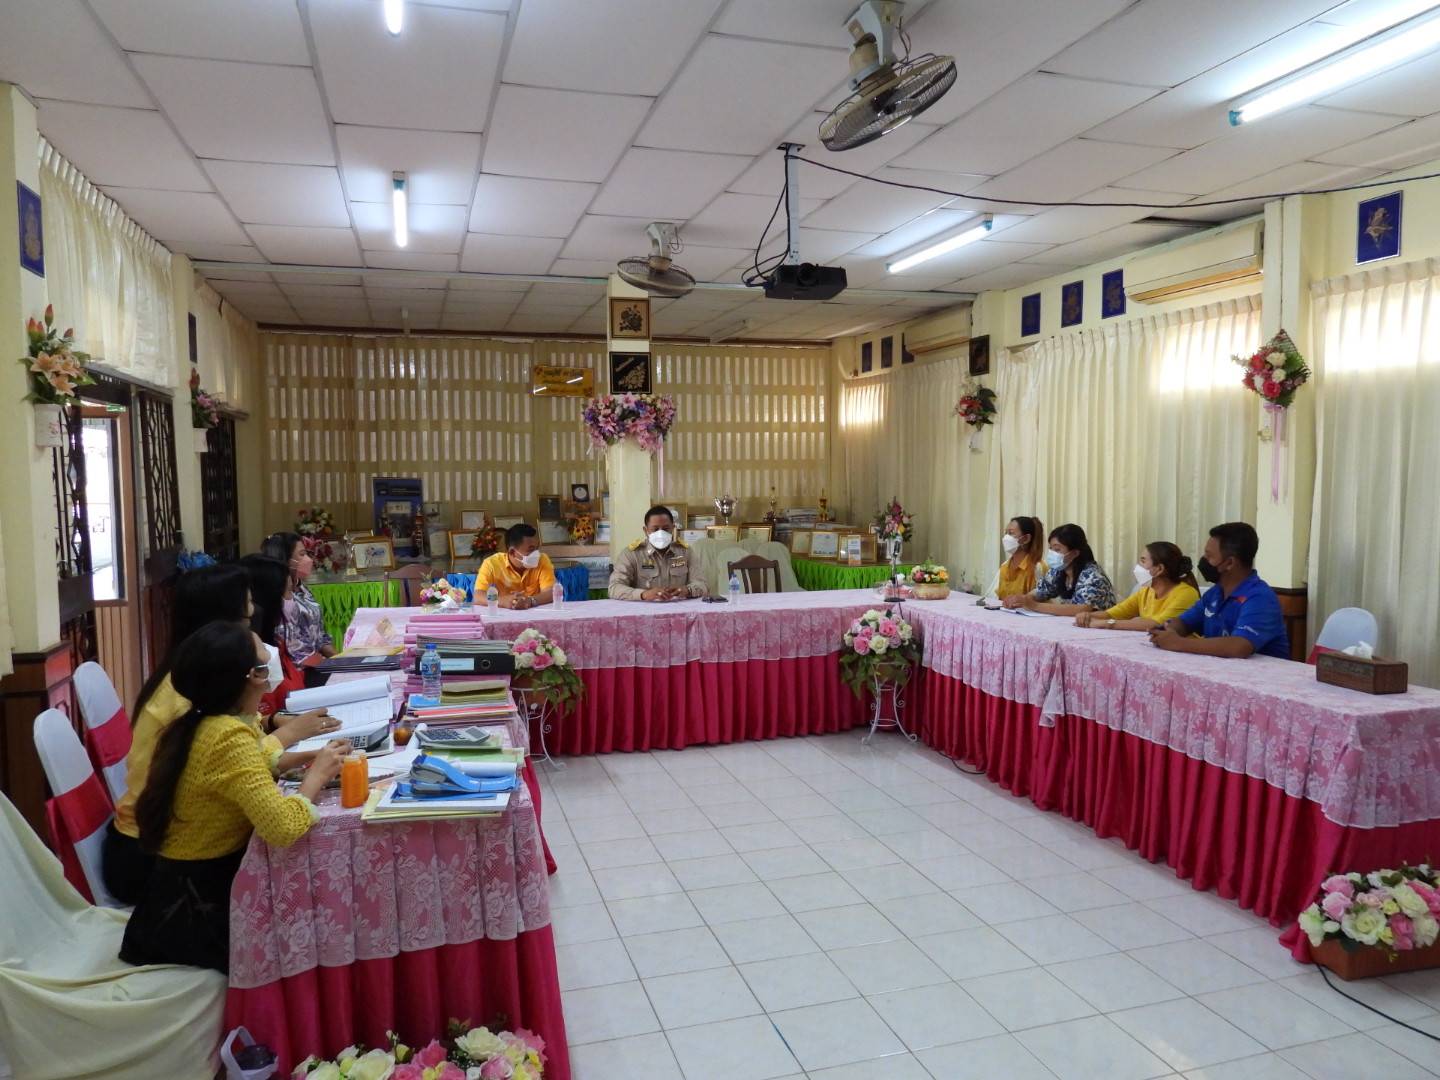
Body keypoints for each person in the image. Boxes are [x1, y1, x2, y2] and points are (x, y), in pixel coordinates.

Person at [103, 565, 339, 905]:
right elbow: (279, 821)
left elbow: (239, 754)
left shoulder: (197, 686)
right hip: (154, 857)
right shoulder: (190, 705)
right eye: (245, 621)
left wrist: (291, 745)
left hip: (179, 852)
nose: (252, 627)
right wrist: (298, 750)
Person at [119, 622, 346, 973]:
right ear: (252, 677)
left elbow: (247, 762)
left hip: (170, 896)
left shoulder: (201, 721)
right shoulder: (227, 736)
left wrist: (301, 758)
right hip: (195, 916)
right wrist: (316, 777)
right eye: (263, 664)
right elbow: (283, 827)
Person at [1150, 522, 1290, 659]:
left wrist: (1178, 643)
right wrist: (1169, 629)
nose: (1203, 560)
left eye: (1209, 556)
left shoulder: (1260, 598)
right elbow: (1185, 622)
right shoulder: (1215, 593)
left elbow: (1239, 646)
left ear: (1229, 563)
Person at [1076, 541, 1200, 631]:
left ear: (1159, 569)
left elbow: (1158, 624)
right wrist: (1088, 616)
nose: (1138, 566)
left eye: (1143, 561)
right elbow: (1114, 613)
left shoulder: (1186, 594)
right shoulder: (1146, 591)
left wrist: (1107, 623)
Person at [261, 531, 335, 672]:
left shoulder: (302, 588)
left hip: (317, 664)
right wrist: (325, 665)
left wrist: (339, 660)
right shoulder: (278, 599)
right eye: (302, 554)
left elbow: (320, 636)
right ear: (285, 560)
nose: (308, 559)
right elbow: (293, 650)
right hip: (298, 671)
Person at [1004, 522, 1117, 614]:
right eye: (1051, 549)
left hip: (1099, 629)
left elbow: (1082, 609)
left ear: (1075, 553)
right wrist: (1022, 599)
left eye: (1057, 550)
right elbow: (1041, 591)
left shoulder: (1093, 576)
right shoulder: (1057, 571)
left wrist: (1035, 606)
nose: (1052, 553)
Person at [609, 505, 708, 601]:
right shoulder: (632, 554)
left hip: (678, 607)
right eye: (655, 529)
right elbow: (614, 587)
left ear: (673, 528)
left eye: (666, 529)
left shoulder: (685, 552)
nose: (660, 533)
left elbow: (703, 585)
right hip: (644, 608)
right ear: (646, 530)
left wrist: (688, 590)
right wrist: (643, 594)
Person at [475, 523, 557, 609]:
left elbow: (551, 592)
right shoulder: (491, 564)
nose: (536, 554)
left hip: (535, 612)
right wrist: (502, 601)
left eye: (537, 548)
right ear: (512, 552)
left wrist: (530, 600)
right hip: (504, 613)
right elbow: (478, 596)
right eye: (531, 549)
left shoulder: (542, 559)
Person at [993, 515, 1045, 600]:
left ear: (1026, 538)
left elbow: (1042, 600)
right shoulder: (1004, 566)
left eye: (1011, 533)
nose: (1006, 538)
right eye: (1006, 533)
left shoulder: (1037, 567)